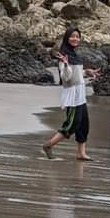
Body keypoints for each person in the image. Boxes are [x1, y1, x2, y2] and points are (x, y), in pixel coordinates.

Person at [42, 27, 98, 161]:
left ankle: (81, 153)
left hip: (80, 93)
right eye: (72, 36)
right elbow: (66, 77)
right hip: (72, 95)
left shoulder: (74, 55)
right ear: (67, 38)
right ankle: (49, 145)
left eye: (77, 36)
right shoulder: (64, 56)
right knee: (72, 124)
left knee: (84, 124)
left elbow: (76, 74)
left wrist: (87, 72)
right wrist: (66, 64)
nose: (75, 39)